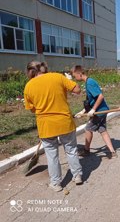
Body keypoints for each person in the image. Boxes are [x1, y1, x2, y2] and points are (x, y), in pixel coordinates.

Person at [24, 61, 83, 192]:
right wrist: (69, 80)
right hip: (64, 122)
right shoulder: (57, 77)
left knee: (52, 156)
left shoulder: (28, 86)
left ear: (30, 71)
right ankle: (77, 175)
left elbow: (32, 109)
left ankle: (56, 183)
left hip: (46, 125)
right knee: (71, 150)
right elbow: (77, 90)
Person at [71, 65, 117, 159]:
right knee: (102, 130)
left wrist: (93, 110)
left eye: (74, 76)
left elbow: (100, 96)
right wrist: (83, 111)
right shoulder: (88, 82)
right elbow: (90, 100)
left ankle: (86, 150)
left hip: (99, 111)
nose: (75, 78)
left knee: (88, 129)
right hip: (103, 110)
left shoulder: (90, 83)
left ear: (79, 74)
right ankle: (112, 152)